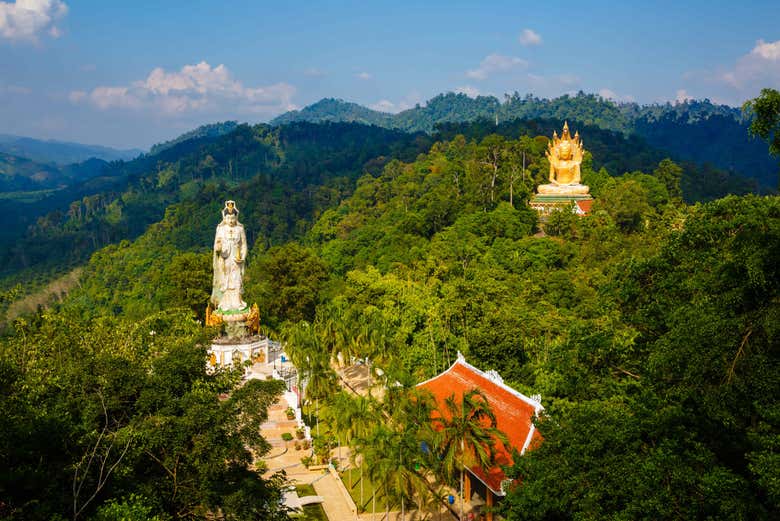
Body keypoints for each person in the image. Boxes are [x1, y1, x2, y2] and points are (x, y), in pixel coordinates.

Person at [211, 201, 248, 311]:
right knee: (226, 280)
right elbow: (216, 246)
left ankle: (237, 303)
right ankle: (226, 303)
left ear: (236, 218)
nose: (231, 221)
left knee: (237, 280)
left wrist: (242, 257)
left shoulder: (240, 229)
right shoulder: (221, 229)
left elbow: (244, 245)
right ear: (224, 218)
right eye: (228, 218)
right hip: (225, 258)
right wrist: (218, 247)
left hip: (236, 260)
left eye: (233, 218)